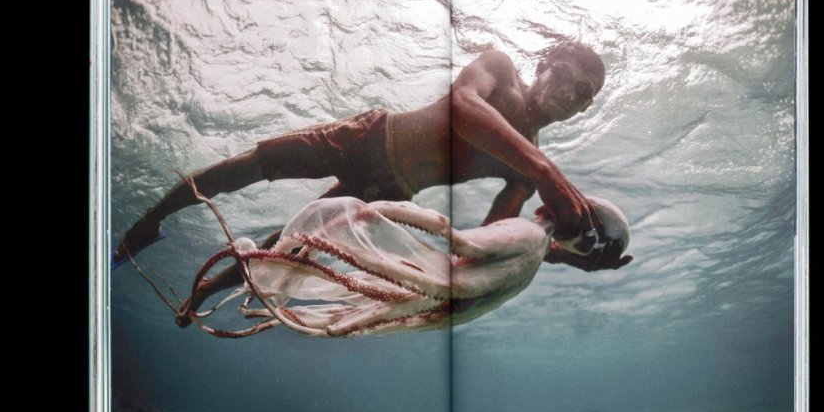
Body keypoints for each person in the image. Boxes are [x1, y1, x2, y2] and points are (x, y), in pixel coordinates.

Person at [114, 42, 633, 322]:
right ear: (541, 66)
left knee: (285, 250)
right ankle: (148, 224)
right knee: (244, 168)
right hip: (366, 136)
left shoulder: (530, 168)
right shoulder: (500, 67)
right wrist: (546, 171)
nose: (567, 91)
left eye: (581, 91)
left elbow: (490, 242)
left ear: (585, 108)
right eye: (562, 73)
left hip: (387, 192)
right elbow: (461, 105)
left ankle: (205, 290)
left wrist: (564, 253)